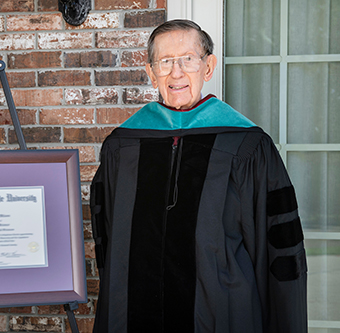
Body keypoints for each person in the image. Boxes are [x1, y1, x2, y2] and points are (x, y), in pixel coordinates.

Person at [90, 19, 307, 333]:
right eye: (165, 62)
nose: (176, 72)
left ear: (208, 67)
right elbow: (108, 244)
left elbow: (280, 251)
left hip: (224, 315)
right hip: (135, 314)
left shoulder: (247, 145)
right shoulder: (122, 147)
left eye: (188, 59)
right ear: (151, 73)